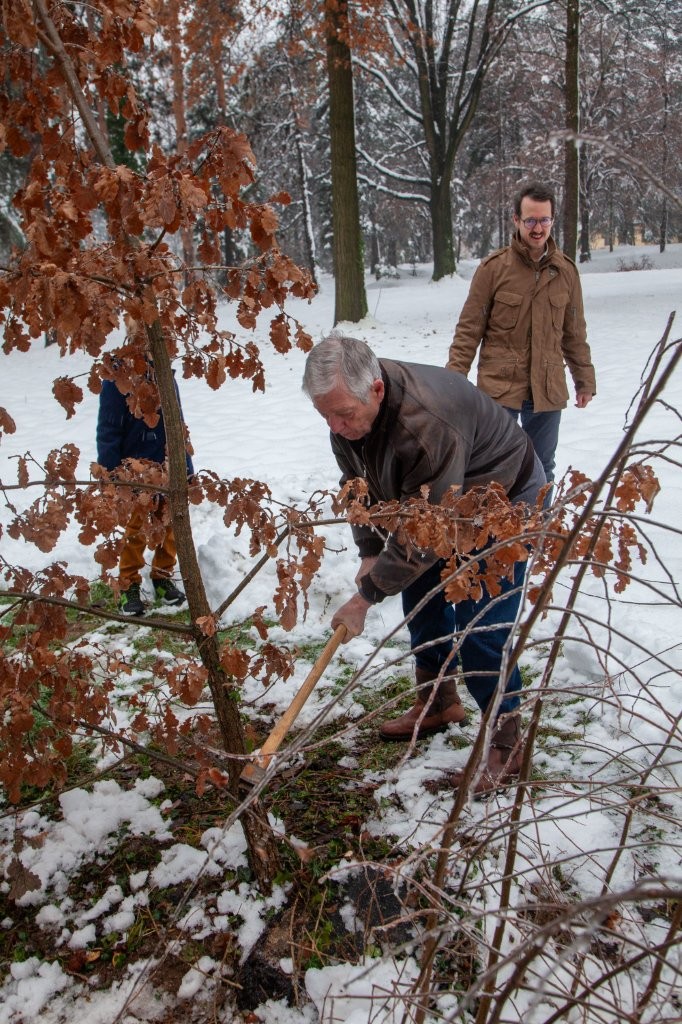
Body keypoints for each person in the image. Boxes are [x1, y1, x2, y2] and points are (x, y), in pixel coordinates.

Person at [302, 334, 545, 795]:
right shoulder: (348, 413)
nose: (334, 426)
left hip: (503, 504)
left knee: (480, 630)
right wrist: (370, 548)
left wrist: (366, 595)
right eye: (325, 415)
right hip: (440, 502)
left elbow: (425, 533)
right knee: (420, 601)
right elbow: (358, 484)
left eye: (343, 415)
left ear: (375, 390)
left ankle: (508, 744)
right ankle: (438, 704)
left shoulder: (426, 421)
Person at [447, 181, 596, 495]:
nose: (538, 228)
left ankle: (535, 538)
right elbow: (468, 329)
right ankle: (492, 538)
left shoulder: (566, 272)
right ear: (516, 220)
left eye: (544, 220)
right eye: (530, 220)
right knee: (492, 466)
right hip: (499, 388)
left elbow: (574, 333)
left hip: (547, 387)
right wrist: (453, 382)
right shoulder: (494, 269)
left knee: (543, 467)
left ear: (552, 220)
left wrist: (584, 379)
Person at [96, 364, 193, 616]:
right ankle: (128, 583)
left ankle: (162, 576)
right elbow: (107, 430)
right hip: (133, 469)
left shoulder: (164, 374)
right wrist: (111, 473)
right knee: (135, 529)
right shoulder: (116, 380)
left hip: (166, 464)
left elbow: (177, 422)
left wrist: (186, 467)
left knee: (170, 523)